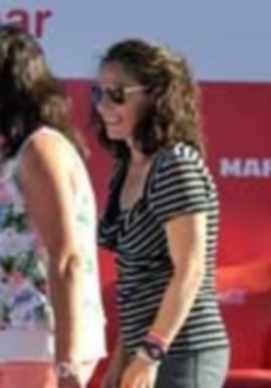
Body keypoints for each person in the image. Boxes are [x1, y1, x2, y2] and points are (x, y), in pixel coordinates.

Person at [0, 23, 107, 388]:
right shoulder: (10, 159)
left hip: (37, 351)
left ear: (4, 90)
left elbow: (66, 259)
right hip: (7, 353)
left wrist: (66, 365)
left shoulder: (42, 149)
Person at [93, 38, 230, 388]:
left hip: (184, 352)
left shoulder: (175, 165)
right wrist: (122, 359)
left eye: (118, 94)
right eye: (99, 93)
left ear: (155, 96)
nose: (104, 106)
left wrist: (150, 353)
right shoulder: (124, 167)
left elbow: (190, 268)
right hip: (147, 351)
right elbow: (138, 282)